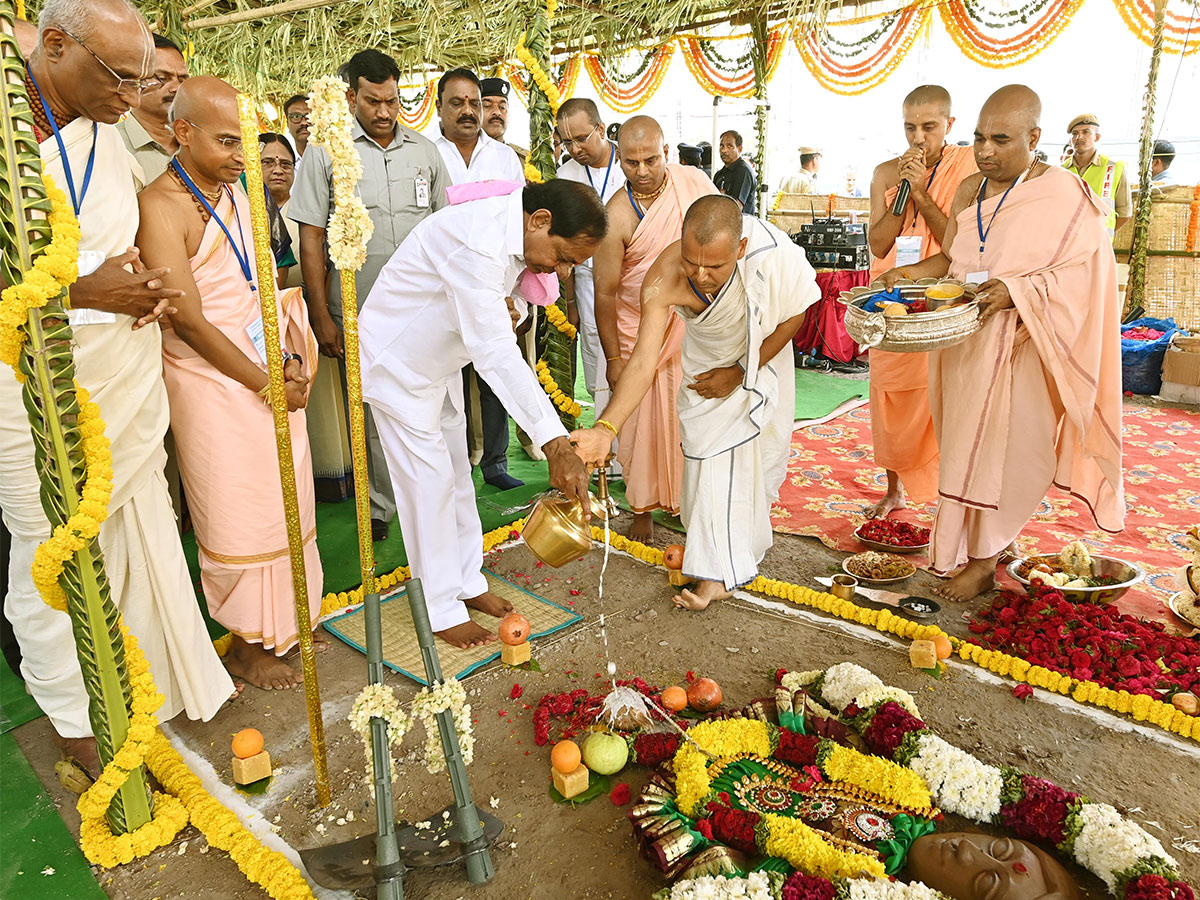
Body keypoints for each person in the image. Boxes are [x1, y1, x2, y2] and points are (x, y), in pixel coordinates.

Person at [0, 0, 234, 776]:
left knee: (140, 520)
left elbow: (126, 236)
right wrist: (80, 293)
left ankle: (150, 681)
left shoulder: (106, 135)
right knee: (48, 542)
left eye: (148, 81)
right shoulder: (7, 138)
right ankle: (72, 711)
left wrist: (145, 288)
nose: (141, 98)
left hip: (124, 369)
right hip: (26, 374)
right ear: (56, 45)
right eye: (122, 77)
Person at [878, 85, 1124, 602]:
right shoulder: (969, 190)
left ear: (1034, 138)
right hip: (964, 344)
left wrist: (1015, 291)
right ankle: (967, 550)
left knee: (1016, 457)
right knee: (965, 448)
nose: (986, 150)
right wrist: (907, 276)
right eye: (979, 138)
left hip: (1026, 346)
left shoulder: (1063, 194)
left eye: (1001, 139)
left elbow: (1088, 275)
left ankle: (987, 559)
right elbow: (957, 264)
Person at [136, 77, 322, 690]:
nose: (243, 155)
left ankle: (285, 625)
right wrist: (265, 382)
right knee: (236, 508)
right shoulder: (160, 205)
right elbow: (187, 320)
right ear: (181, 133)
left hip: (267, 369)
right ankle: (244, 644)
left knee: (283, 498)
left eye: (244, 139)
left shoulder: (239, 193)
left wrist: (289, 360)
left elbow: (259, 291)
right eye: (226, 141)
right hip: (212, 384)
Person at [359, 180, 600, 648]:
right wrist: (554, 443)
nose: (565, 272)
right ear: (540, 220)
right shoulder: (476, 239)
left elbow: (496, 314)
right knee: (427, 486)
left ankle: (468, 583)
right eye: (565, 257)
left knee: (456, 477)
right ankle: (439, 607)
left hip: (439, 363)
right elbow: (496, 354)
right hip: (398, 365)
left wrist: (510, 309)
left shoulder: (513, 235)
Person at [573, 196, 818, 609]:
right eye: (692, 261)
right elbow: (644, 361)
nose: (701, 276)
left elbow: (795, 312)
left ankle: (719, 573)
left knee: (741, 462)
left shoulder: (768, 254)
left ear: (739, 251)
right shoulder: (665, 276)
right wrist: (605, 429)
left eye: (715, 267)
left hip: (759, 357)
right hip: (704, 371)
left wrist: (742, 370)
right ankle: (720, 559)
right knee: (703, 458)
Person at [290, 49, 451, 543]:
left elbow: (444, 230)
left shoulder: (425, 151)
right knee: (371, 410)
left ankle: (430, 497)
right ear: (351, 97)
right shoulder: (325, 153)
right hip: (359, 311)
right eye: (373, 101)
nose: (385, 112)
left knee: (431, 403)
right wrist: (321, 315)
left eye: (392, 100)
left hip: (424, 312)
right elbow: (312, 237)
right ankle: (379, 505)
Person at [592, 115, 720, 541]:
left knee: (693, 415)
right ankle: (642, 508)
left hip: (693, 326)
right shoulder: (615, 215)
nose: (642, 171)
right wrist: (613, 358)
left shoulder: (694, 183)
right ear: (619, 159)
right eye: (631, 163)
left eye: (650, 159)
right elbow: (606, 293)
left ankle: (694, 502)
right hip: (637, 327)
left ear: (667, 153)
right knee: (638, 424)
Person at [865, 85, 977, 518]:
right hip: (891, 298)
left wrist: (923, 193)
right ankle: (895, 489)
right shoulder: (883, 173)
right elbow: (877, 245)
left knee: (942, 398)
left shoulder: (967, 169)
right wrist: (903, 192)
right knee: (890, 395)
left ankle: (950, 491)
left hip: (939, 296)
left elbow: (957, 241)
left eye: (929, 127)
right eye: (910, 127)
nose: (918, 137)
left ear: (949, 125)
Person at [434, 68, 531, 490]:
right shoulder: (427, 153)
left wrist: (516, 296)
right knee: (449, 379)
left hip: (495, 285)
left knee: (494, 373)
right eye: (458, 103)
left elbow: (521, 226)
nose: (469, 112)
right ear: (438, 106)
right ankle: (458, 467)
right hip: (442, 287)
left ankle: (495, 462)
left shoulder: (505, 158)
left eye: (475, 103)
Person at [556, 97, 626, 451]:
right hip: (586, 282)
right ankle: (608, 453)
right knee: (598, 359)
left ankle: (636, 447)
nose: (575, 148)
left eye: (582, 138)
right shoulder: (565, 174)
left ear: (601, 129)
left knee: (633, 356)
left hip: (632, 281)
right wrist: (570, 300)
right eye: (567, 142)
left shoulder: (629, 162)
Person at [116, 32, 187, 183]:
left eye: (182, 79)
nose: (176, 88)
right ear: (133, 81)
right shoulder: (111, 144)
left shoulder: (202, 143)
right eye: (162, 78)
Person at [1062, 114, 1132, 237]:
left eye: (1086, 132)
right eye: (1074, 133)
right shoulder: (1062, 171)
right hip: (1068, 245)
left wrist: (1099, 234)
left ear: (1097, 137)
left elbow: (1124, 214)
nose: (1079, 137)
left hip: (1099, 246)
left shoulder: (1115, 168)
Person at [713, 130, 757, 216]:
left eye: (729, 146)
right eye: (722, 146)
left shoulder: (743, 171)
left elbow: (736, 208)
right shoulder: (719, 174)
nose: (724, 150)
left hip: (741, 225)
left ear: (739, 149)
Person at [480, 76, 510, 142]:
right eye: (487, 105)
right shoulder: (456, 151)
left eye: (502, 107)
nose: (497, 112)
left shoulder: (513, 152)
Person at [283, 93, 310, 162]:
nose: (304, 123)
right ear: (287, 124)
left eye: (308, 116)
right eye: (296, 116)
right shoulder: (286, 165)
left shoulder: (333, 159)